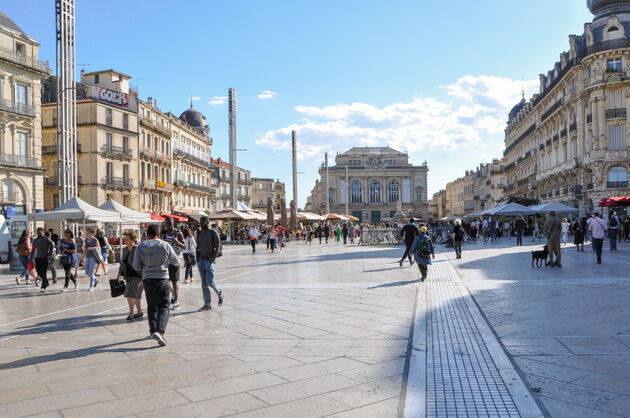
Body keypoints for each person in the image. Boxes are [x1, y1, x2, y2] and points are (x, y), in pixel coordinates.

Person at [133, 224, 179, 346]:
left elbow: (136, 266)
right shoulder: (164, 245)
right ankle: (160, 331)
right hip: (162, 279)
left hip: (148, 279)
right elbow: (176, 261)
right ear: (159, 234)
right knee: (164, 306)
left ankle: (153, 330)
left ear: (147, 234)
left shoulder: (140, 247)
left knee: (151, 306)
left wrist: (146, 268)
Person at [195, 217, 224, 311]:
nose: (201, 224)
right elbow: (197, 247)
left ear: (207, 222)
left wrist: (211, 261)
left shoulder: (213, 232)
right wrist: (197, 260)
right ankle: (207, 304)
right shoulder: (199, 233)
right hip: (201, 260)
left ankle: (220, 293)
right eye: (200, 222)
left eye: (202, 222)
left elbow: (217, 247)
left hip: (210, 260)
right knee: (204, 283)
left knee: (210, 281)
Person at [118, 231, 143, 322]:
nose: (124, 240)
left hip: (137, 276)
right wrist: (119, 273)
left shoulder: (137, 249)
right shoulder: (124, 249)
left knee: (129, 294)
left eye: (127, 239)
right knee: (135, 295)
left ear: (133, 240)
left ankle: (131, 313)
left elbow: (142, 262)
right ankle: (139, 312)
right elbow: (122, 263)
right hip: (127, 276)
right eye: (124, 239)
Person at [162, 216, 185, 310]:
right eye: (167, 224)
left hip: (175, 259)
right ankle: (173, 294)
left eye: (170, 224)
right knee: (166, 281)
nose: (168, 226)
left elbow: (185, 246)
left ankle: (176, 302)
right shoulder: (163, 233)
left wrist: (177, 242)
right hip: (165, 260)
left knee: (174, 281)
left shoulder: (178, 233)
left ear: (173, 223)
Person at [30, 227, 54, 293]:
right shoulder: (36, 240)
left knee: (44, 272)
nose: (38, 233)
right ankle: (46, 282)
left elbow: (51, 245)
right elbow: (33, 249)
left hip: (45, 257)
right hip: (38, 258)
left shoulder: (46, 239)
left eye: (39, 232)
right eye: (37, 232)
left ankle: (43, 286)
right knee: (39, 273)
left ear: (43, 232)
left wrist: (50, 253)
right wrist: (30, 257)